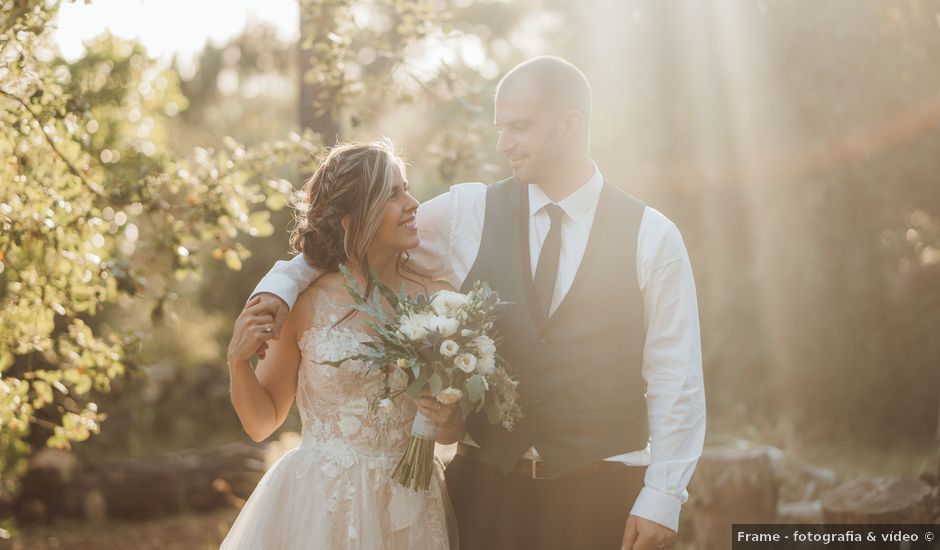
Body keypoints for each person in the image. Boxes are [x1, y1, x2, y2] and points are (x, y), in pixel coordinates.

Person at [247, 56, 705, 550]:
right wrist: (280, 285)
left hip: (602, 496)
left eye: (519, 127)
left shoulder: (652, 237)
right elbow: (351, 241)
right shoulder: (468, 211)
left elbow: (675, 376)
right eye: (500, 127)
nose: (503, 143)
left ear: (570, 125)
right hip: (486, 495)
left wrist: (663, 494)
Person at [221, 140, 460, 550]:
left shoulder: (436, 299)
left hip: (410, 504)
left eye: (406, 188)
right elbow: (262, 422)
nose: (413, 202)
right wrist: (238, 363)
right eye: (393, 194)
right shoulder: (304, 303)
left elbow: (449, 431)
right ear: (351, 218)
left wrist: (446, 416)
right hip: (323, 505)